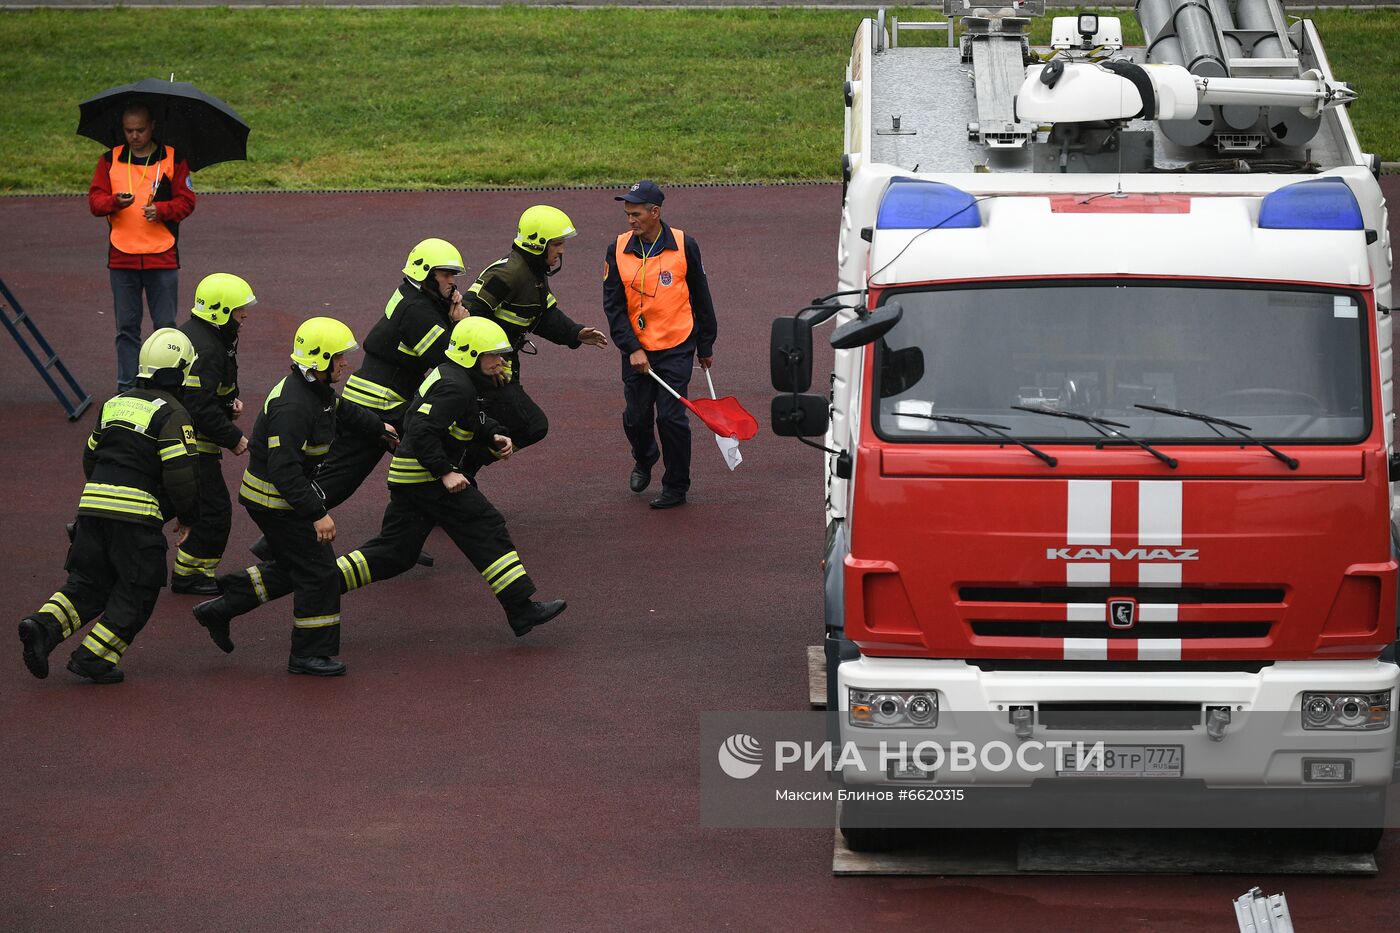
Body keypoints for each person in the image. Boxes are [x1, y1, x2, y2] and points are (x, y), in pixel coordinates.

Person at [193, 318, 568, 652]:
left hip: (413, 478)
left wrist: (491, 433)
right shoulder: (454, 385)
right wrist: (445, 472)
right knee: (486, 525)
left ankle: (243, 596)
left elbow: (461, 417)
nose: (501, 361)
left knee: (393, 554)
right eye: (494, 355)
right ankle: (521, 608)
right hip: (424, 478)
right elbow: (422, 430)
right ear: (471, 355)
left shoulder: (456, 378)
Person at [193, 317, 394, 677]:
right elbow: (284, 472)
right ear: (319, 361)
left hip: (282, 499)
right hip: (275, 503)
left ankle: (223, 606)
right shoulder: (293, 407)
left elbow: (342, 410)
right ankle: (308, 655)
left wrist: (379, 428)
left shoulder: (314, 390)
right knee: (319, 573)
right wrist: (317, 514)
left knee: (296, 566)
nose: (345, 363)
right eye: (339, 357)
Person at [18, 329, 200, 684]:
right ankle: (93, 658)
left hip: (91, 508)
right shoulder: (174, 413)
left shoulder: (114, 403)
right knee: (139, 588)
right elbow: (182, 475)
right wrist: (188, 516)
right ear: (180, 372)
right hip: (136, 515)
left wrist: (102, 496)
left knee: (89, 582)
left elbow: (90, 456)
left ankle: (42, 626)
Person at [275, 238, 468, 568]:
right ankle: (280, 536)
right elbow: (448, 360)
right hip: (380, 401)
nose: (453, 281)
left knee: (370, 471)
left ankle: (399, 540)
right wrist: (459, 322)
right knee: (353, 475)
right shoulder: (418, 310)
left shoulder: (414, 297)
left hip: (378, 397)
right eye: (447, 274)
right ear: (426, 274)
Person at [458, 205, 608, 477]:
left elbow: (543, 315)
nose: (562, 250)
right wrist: (488, 361)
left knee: (501, 424)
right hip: (490, 370)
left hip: (503, 364)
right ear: (538, 244)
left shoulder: (532, 271)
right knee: (531, 426)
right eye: (557, 244)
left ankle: (460, 473)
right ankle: (460, 471)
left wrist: (574, 333)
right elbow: (469, 314)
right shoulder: (509, 274)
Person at [602, 180, 718, 509]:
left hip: (676, 346)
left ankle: (676, 486)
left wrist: (705, 345)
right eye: (627, 214)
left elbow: (701, 297)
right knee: (636, 418)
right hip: (637, 348)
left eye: (636, 214)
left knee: (671, 418)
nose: (630, 220)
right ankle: (645, 457)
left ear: (655, 212)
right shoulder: (617, 248)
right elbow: (613, 305)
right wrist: (632, 348)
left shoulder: (684, 244)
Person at [88, 102, 197, 394]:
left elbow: (187, 202)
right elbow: (95, 202)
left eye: (140, 130)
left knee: (165, 330)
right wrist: (114, 202)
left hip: (162, 258)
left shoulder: (173, 159)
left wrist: (162, 210)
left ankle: (166, 390)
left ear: (152, 127)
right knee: (127, 329)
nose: (134, 136)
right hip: (122, 258)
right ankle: (126, 389)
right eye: (128, 131)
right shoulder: (109, 160)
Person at [171, 273, 254, 595]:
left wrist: (229, 403)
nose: (244, 315)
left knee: (169, 500)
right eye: (239, 310)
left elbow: (207, 391)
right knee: (214, 510)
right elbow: (198, 406)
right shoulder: (208, 348)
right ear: (221, 312)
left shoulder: (202, 336)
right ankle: (191, 575)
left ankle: (87, 528)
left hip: (177, 436)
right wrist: (233, 437)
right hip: (189, 442)